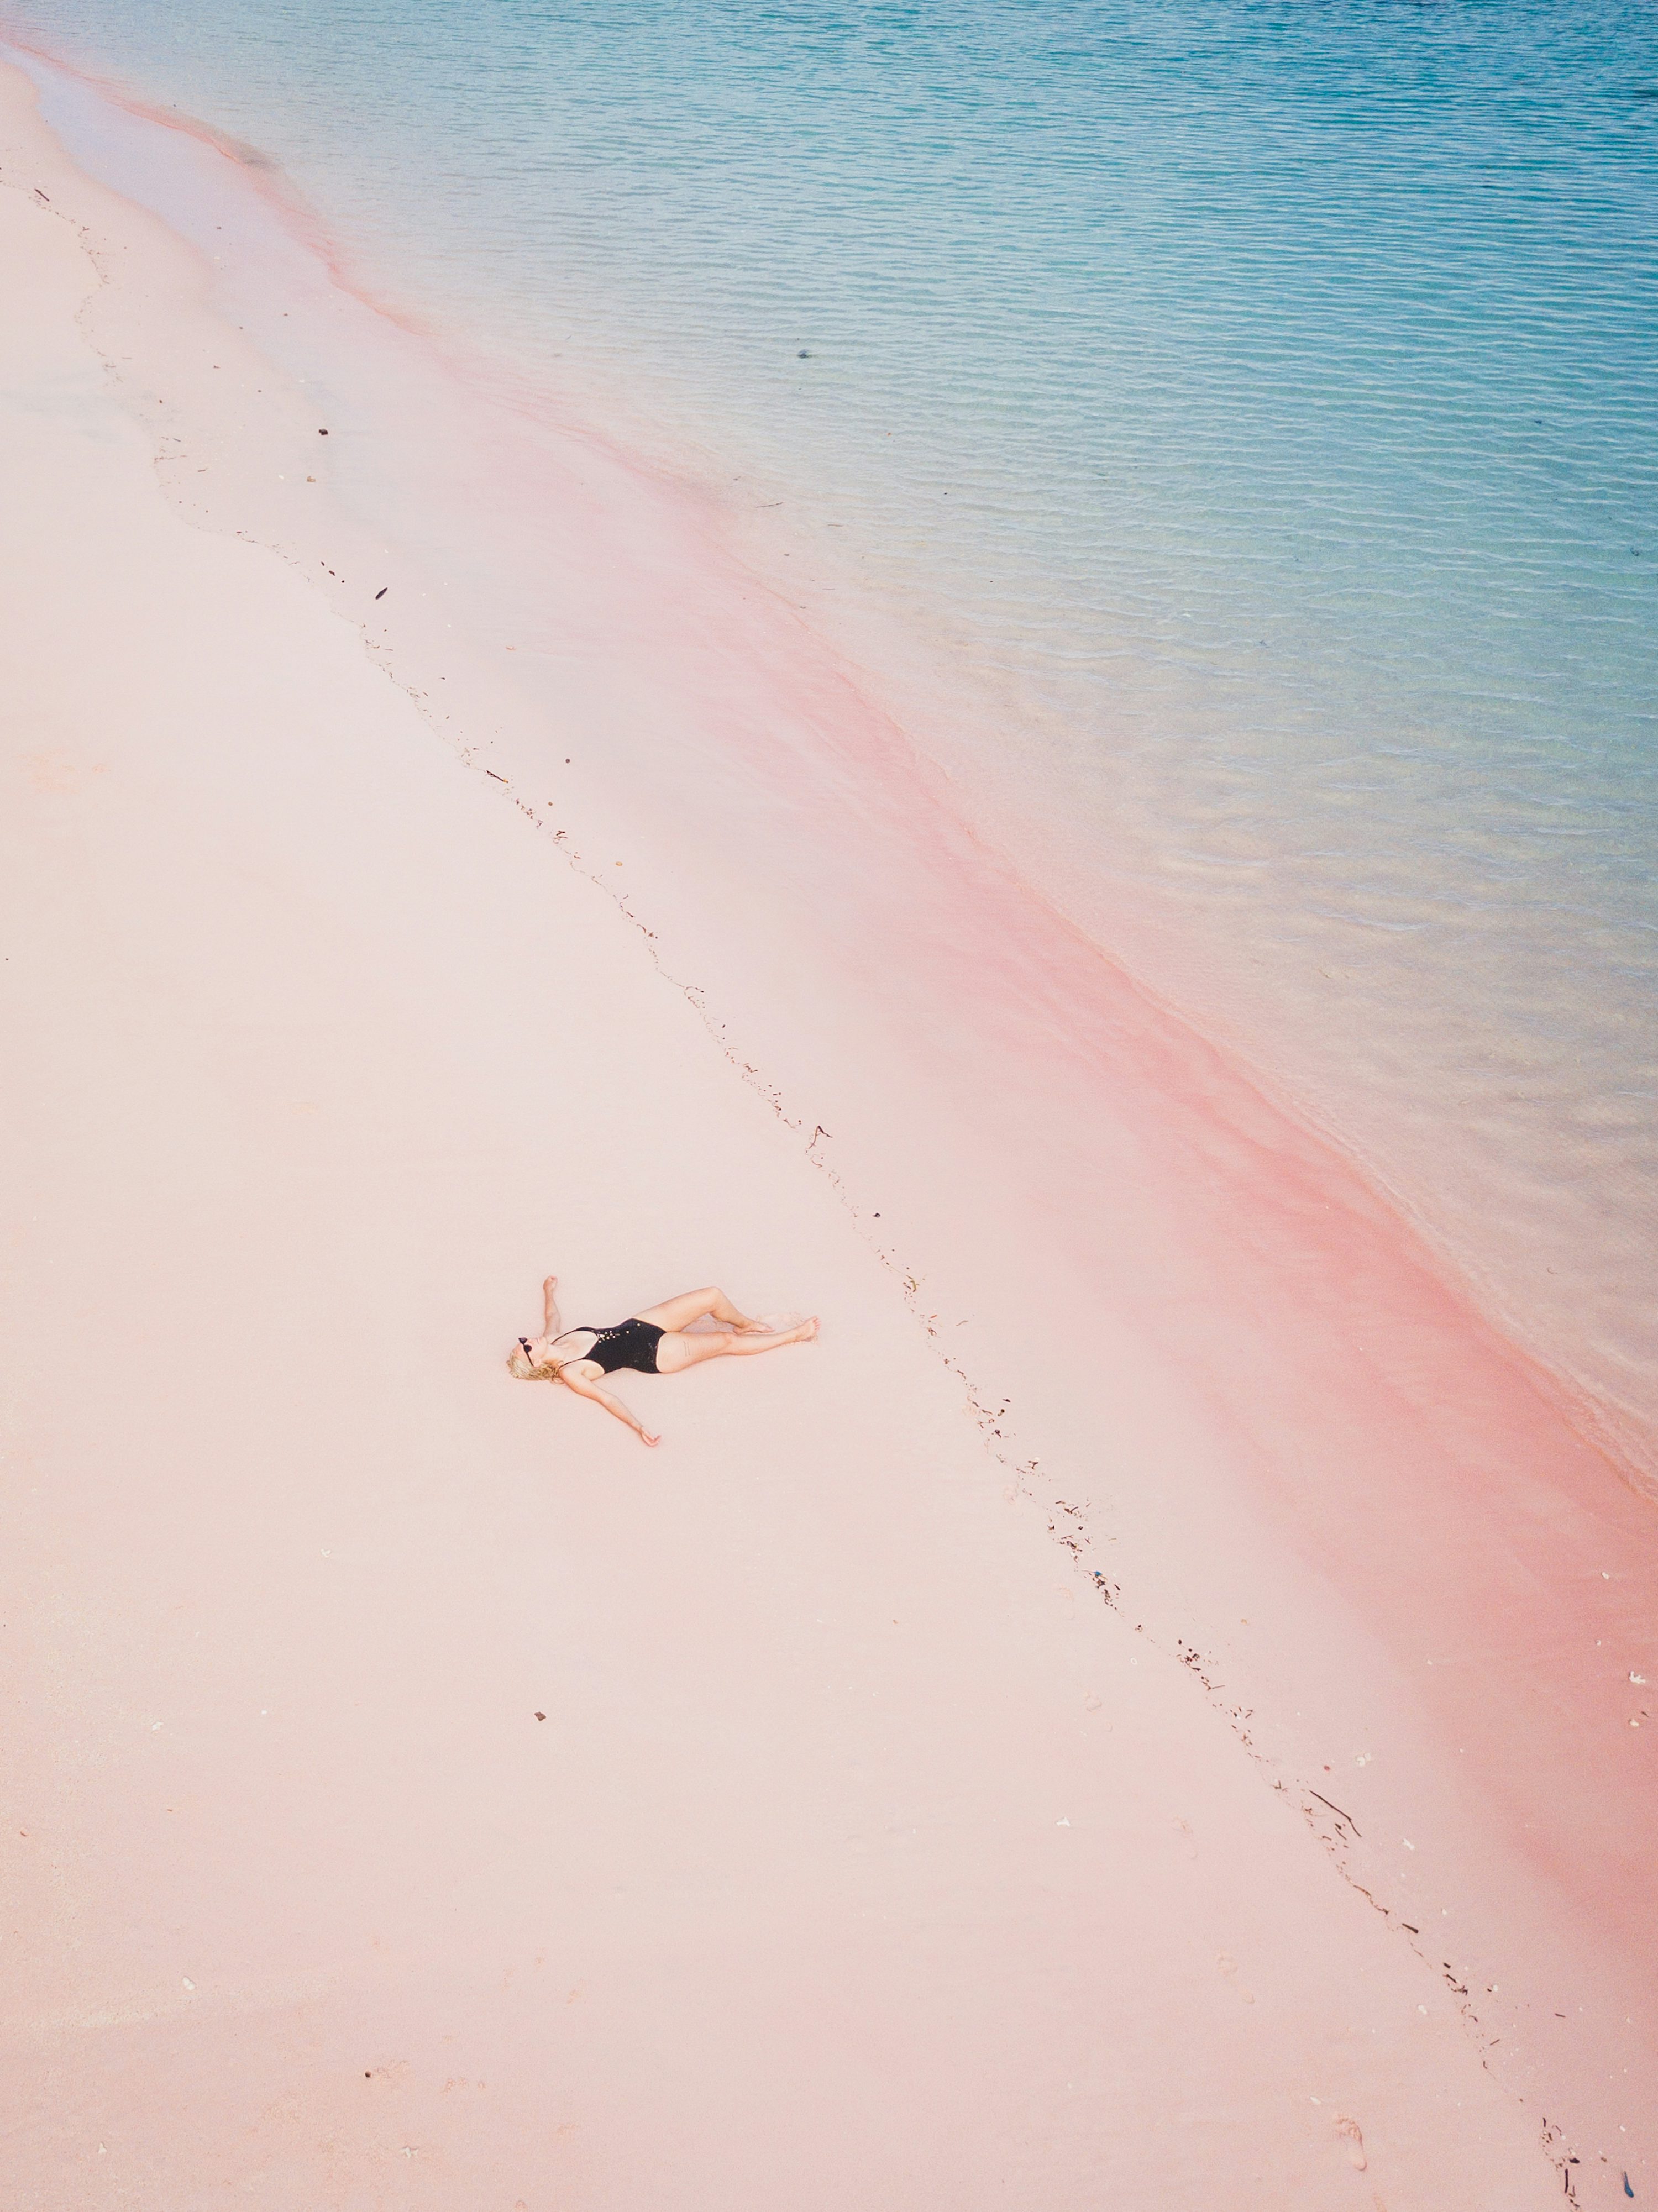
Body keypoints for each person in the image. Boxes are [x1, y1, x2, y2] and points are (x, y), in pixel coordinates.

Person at [508, 1276, 817, 1447]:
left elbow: (553, 1315)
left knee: (712, 1294)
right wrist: (638, 1426)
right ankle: (793, 1336)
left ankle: (746, 1322)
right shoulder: (571, 1372)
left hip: (640, 1324)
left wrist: (548, 1291)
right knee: (726, 1342)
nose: (528, 1341)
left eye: (523, 1342)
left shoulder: (554, 1337)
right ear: (538, 1366)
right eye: (527, 1349)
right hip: (655, 1353)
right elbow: (607, 1399)